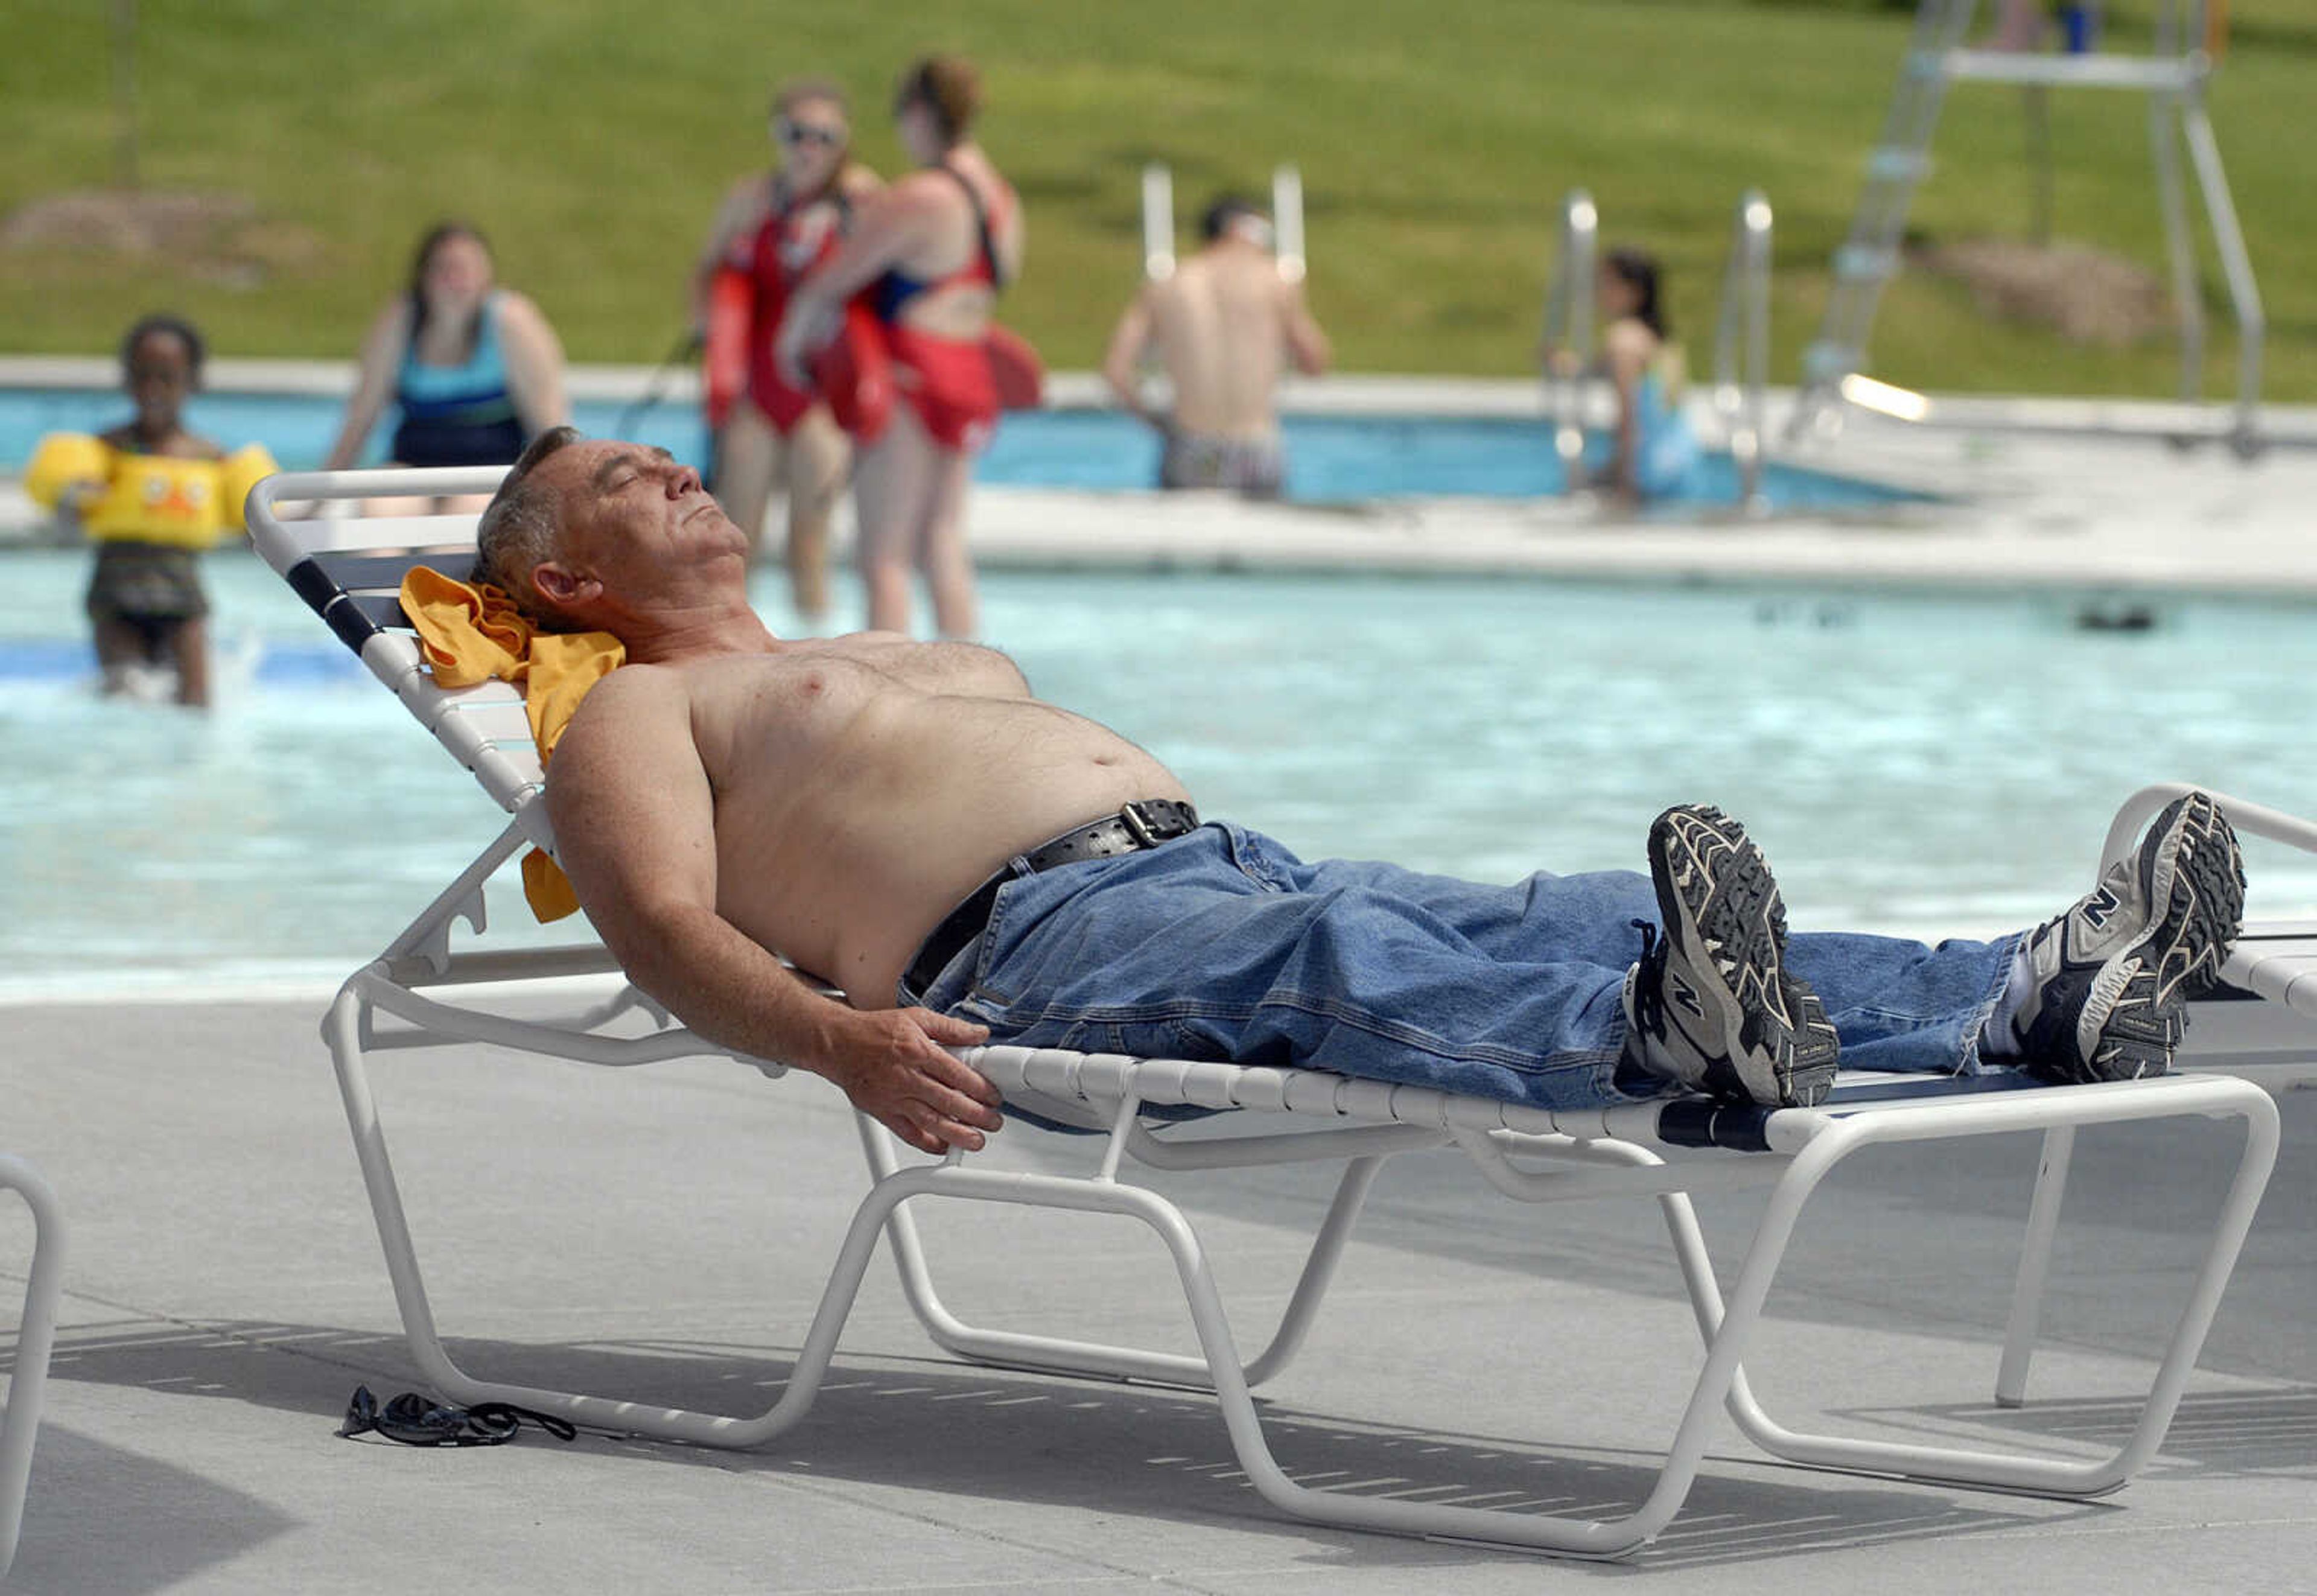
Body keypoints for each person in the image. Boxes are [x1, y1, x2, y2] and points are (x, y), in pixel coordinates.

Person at [462, 426, 2250, 1157]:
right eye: (623, 480)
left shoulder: (848, 641)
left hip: (1202, 867)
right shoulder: (632, 715)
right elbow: (665, 930)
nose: (671, 464)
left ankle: (2022, 987)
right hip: (1027, 947)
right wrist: (837, 1041)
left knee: (1552, 910)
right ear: (559, 585)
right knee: (1351, 956)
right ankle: (1664, 1031)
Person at [774, 55, 1023, 638]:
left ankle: (887, 698)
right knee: (942, 542)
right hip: (970, 371)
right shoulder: (1004, 200)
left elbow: (832, 279)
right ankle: (971, 687)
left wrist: (792, 347)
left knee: (882, 553)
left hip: (913, 374)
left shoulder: (922, 195)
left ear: (916, 113)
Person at [692, 78, 880, 619]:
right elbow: (704, 275)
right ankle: (731, 658)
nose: (810, 148)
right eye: (798, 134)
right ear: (779, 137)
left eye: (825, 136)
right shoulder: (750, 200)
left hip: (822, 398)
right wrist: (714, 329)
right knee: (735, 543)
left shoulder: (863, 204)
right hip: (758, 390)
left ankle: (812, 659)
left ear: (843, 142)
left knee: (810, 545)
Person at [23, 314, 276, 708]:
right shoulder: (106, 450)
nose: (153, 388)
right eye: (142, 375)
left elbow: (253, 535)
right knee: (126, 695)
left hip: (183, 595)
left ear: (193, 381)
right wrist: (73, 497)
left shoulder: (210, 458)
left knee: (197, 703)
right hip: (114, 594)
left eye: (166, 376)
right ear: (126, 379)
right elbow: (66, 519)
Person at [320, 221, 568, 514]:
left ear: (486, 276)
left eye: (468, 269)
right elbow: (359, 421)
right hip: (414, 471)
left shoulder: (512, 323)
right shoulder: (401, 321)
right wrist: (312, 504)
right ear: (424, 277)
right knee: (381, 509)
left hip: (490, 475)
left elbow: (551, 431)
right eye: (445, 269)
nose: (456, 280)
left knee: (469, 512)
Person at [1101, 194, 1331, 498]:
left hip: (1190, 446)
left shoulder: (1166, 285)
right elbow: (1315, 362)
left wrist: (1157, 422)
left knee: (1182, 544)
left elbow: (1116, 372)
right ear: (1238, 229)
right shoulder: (1275, 282)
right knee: (1264, 542)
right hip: (1255, 448)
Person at [1591, 247, 1703, 506]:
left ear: (1634, 291)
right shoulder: (1659, 338)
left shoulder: (1623, 342)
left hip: (1647, 466)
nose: (1600, 292)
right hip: (1682, 459)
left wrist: (1623, 480)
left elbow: (1629, 420)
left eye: (1608, 284)